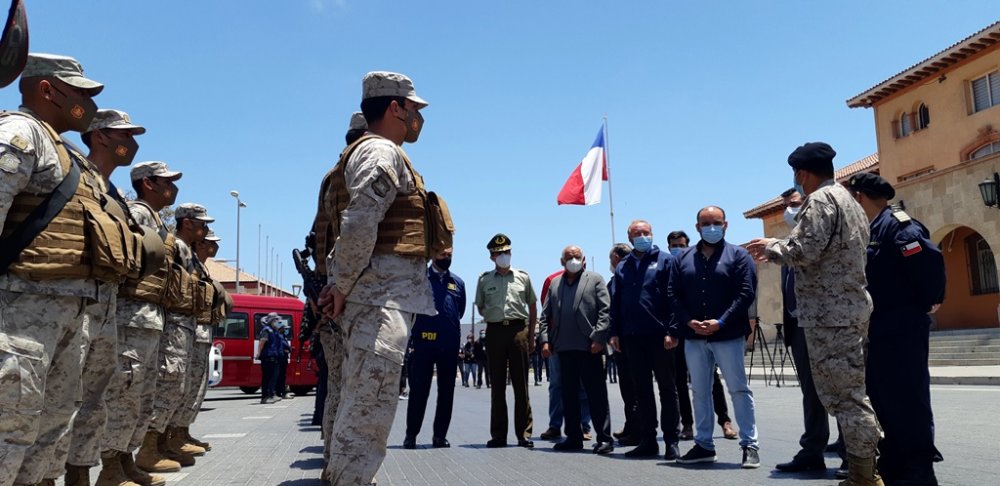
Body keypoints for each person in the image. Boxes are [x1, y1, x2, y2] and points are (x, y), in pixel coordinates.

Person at [0, 53, 132, 486]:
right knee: (9, 427)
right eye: (79, 94)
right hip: (21, 313)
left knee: (49, 431)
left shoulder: (69, 155)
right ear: (46, 90)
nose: (87, 105)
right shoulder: (19, 133)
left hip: (69, 317)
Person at [317, 71, 447, 486]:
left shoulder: (373, 152)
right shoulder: (380, 152)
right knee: (367, 414)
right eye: (413, 108)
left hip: (377, 298)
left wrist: (342, 283)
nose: (418, 117)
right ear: (395, 107)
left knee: (359, 404)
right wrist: (341, 284)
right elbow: (360, 221)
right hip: (378, 300)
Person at [747, 142, 884, 486]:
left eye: (797, 175)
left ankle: (865, 476)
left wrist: (771, 246)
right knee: (850, 394)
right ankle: (863, 471)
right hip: (846, 311)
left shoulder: (821, 200)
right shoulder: (849, 201)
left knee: (846, 398)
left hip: (830, 316)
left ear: (802, 174)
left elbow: (804, 250)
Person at [848, 173, 945, 484]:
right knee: (883, 397)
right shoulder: (871, 229)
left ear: (859, 197)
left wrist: (928, 301)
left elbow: (929, 263)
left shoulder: (899, 226)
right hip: (878, 329)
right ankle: (894, 461)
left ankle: (918, 468)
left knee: (909, 397)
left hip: (902, 328)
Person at [669, 207, 760, 469]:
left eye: (716, 223)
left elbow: (746, 293)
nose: (711, 227)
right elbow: (673, 293)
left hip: (728, 334)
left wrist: (721, 321)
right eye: (706, 223)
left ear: (725, 225)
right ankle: (704, 445)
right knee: (699, 391)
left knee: (738, 389)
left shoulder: (739, 256)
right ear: (697, 227)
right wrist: (688, 321)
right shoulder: (683, 258)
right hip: (694, 335)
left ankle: (750, 445)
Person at [113, 161, 184, 481]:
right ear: (147, 183)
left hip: (151, 315)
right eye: (166, 182)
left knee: (141, 396)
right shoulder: (138, 213)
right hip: (132, 314)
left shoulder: (155, 219)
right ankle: (112, 467)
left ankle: (127, 459)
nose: (172, 188)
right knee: (126, 393)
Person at [139, 202, 213, 470]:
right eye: (202, 224)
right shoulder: (177, 246)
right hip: (174, 323)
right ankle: (150, 448)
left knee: (179, 387)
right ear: (188, 223)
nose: (205, 230)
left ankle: (166, 442)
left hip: (185, 324)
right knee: (168, 385)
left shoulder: (186, 251)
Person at [312, 111, 368, 466]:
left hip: (331, 291)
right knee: (355, 387)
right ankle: (344, 467)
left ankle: (333, 461)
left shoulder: (331, 177)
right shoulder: (355, 174)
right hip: (351, 294)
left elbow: (319, 238)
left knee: (338, 384)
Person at [772, 188, 834, 474]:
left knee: (839, 387)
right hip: (798, 326)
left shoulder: (820, 237)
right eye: (785, 205)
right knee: (811, 390)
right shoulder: (790, 242)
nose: (789, 210)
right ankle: (813, 449)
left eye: (794, 204)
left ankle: (851, 451)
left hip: (825, 324)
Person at [608, 220, 681, 460]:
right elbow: (616, 302)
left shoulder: (666, 261)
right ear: (630, 238)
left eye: (645, 232)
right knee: (642, 391)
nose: (642, 236)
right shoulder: (623, 266)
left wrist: (673, 330)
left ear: (652, 234)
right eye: (637, 234)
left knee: (667, 389)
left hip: (661, 337)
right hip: (632, 338)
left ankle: (671, 441)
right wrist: (614, 332)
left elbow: (674, 297)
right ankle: (648, 440)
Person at [539, 246, 614, 454]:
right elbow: (545, 315)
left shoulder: (595, 279)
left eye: (577, 256)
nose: (573, 260)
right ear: (562, 262)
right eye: (569, 257)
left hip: (590, 348)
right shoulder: (555, 283)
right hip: (563, 348)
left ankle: (604, 438)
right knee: (568, 395)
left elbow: (605, 311)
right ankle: (573, 437)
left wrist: (599, 338)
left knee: (596, 394)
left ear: (584, 260)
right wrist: (545, 341)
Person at [665, 230, 737, 442]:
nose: (678, 249)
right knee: (680, 380)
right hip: (678, 333)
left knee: (712, 378)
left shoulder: (695, 265)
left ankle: (724, 420)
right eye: (674, 246)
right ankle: (687, 424)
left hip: (700, 330)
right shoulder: (668, 269)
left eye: (682, 245)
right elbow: (670, 303)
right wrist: (671, 331)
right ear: (668, 248)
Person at [475, 233, 536, 448]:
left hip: (518, 330)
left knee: (521, 386)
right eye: (499, 253)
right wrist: (493, 315)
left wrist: (531, 336)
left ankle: (524, 434)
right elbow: (480, 306)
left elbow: (532, 306)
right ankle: (499, 435)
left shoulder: (523, 277)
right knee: (497, 386)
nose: (504, 256)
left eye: (507, 252)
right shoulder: (484, 279)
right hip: (495, 332)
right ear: (492, 256)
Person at [404, 247, 466, 449]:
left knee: (446, 392)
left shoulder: (458, 282)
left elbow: (460, 311)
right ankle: (411, 435)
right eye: (443, 255)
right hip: (424, 343)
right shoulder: (420, 279)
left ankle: (440, 436)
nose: (447, 258)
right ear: (432, 255)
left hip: (449, 345)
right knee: (419, 391)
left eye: (450, 255)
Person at [538, 267, 592, 443]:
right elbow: (546, 312)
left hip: (582, 341)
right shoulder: (552, 280)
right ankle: (555, 426)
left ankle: (584, 425)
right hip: (558, 342)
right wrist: (546, 341)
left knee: (583, 385)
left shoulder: (591, 280)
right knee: (556, 384)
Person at [607, 243, 640, 447]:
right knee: (627, 387)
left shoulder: (628, 279)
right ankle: (631, 425)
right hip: (620, 340)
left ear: (617, 259)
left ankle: (637, 430)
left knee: (634, 387)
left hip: (630, 339)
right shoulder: (615, 280)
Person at [258, 313, 289, 404]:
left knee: (273, 378)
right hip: (268, 357)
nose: (278, 322)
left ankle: (271, 395)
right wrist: (259, 353)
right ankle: (265, 397)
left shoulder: (274, 330)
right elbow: (262, 342)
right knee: (267, 378)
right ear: (271, 321)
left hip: (275, 357)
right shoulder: (266, 330)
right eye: (276, 320)